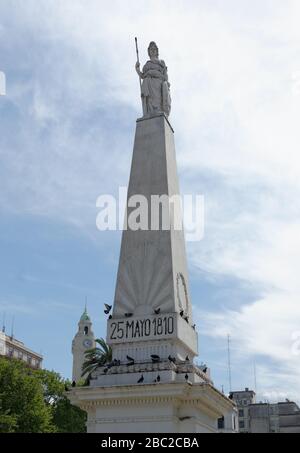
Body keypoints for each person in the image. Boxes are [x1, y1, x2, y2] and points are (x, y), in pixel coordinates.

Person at [135, 42, 171, 117]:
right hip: (148, 84)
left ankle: (159, 111)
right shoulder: (146, 64)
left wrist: (166, 83)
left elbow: (165, 74)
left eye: (154, 49)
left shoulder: (161, 62)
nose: (153, 50)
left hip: (158, 83)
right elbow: (143, 76)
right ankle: (149, 114)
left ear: (157, 51)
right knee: (149, 102)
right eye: (151, 49)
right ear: (149, 52)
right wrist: (137, 70)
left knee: (158, 102)